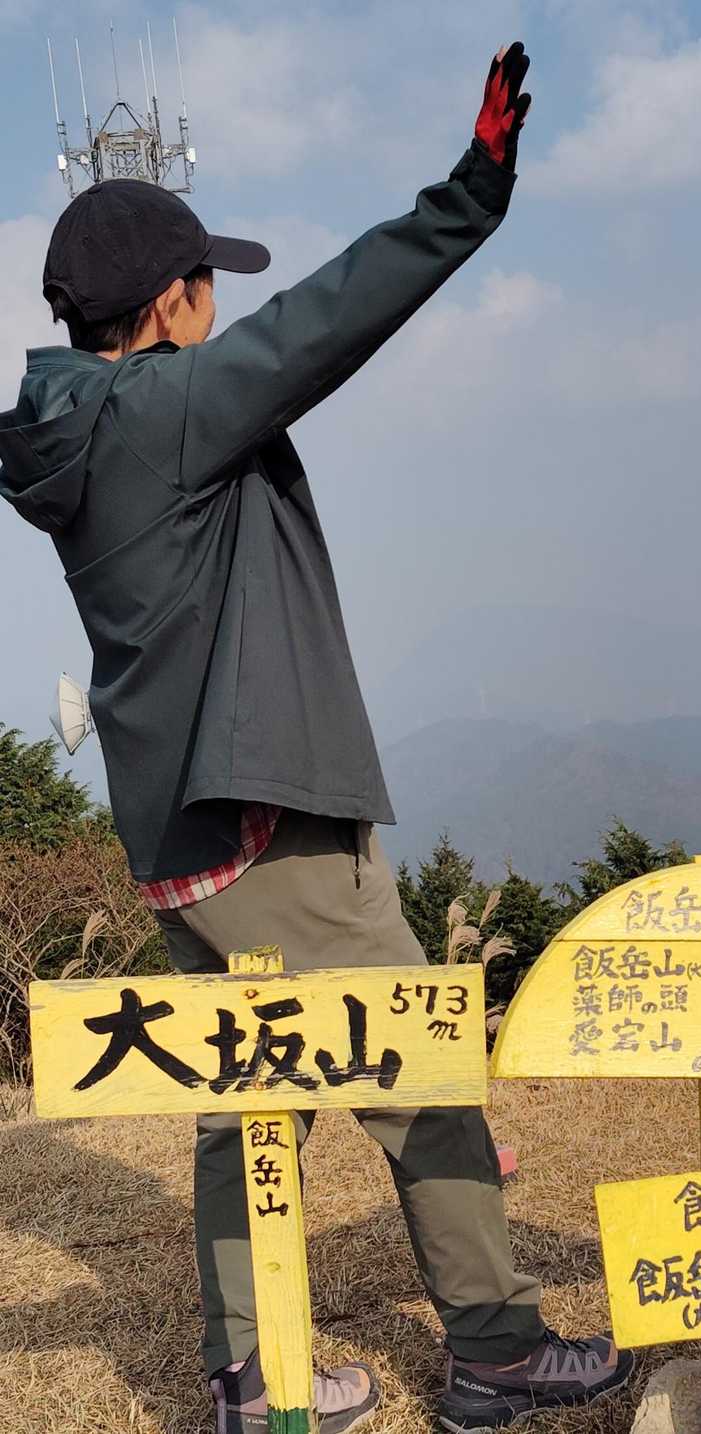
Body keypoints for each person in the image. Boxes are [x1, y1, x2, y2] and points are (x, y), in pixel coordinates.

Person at [0, 41, 632, 1434]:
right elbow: (327, 318)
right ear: (165, 306)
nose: (220, 302)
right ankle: (496, 1349)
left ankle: (251, 1376)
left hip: (176, 834)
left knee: (244, 1092)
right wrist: (471, 193)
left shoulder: (66, 434)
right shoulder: (165, 410)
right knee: (423, 1069)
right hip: (267, 825)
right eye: (205, 282)